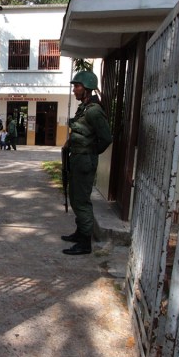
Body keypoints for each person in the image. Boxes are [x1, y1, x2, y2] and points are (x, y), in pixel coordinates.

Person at [61, 70, 112, 255]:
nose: (74, 90)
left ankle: (84, 243)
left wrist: (90, 152)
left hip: (84, 162)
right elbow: (82, 131)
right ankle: (80, 232)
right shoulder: (84, 107)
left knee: (81, 201)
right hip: (77, 159)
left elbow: (106, 138)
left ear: (87, 88)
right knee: (75, 198)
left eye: (77, 86)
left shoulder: (94, 111)